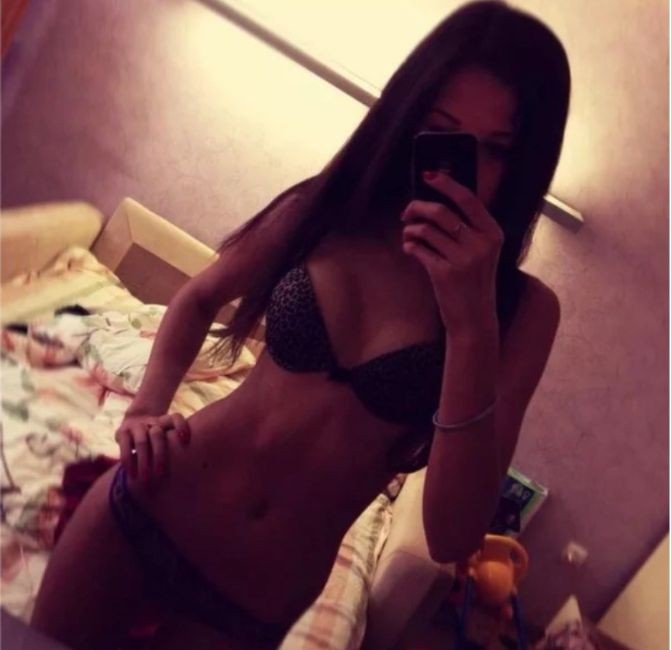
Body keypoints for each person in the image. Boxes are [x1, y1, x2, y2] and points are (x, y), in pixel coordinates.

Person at [31, 1, 570, 648]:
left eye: (497, 150)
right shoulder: (331, 208)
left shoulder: (522, 313)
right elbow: (199, 298)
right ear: (407, 117)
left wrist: (470, 324)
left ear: (527, 165)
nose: (463, 169)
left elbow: (452, 535)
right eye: (440, 129)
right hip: (146, 506)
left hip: (251, 599)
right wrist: (146, 406)